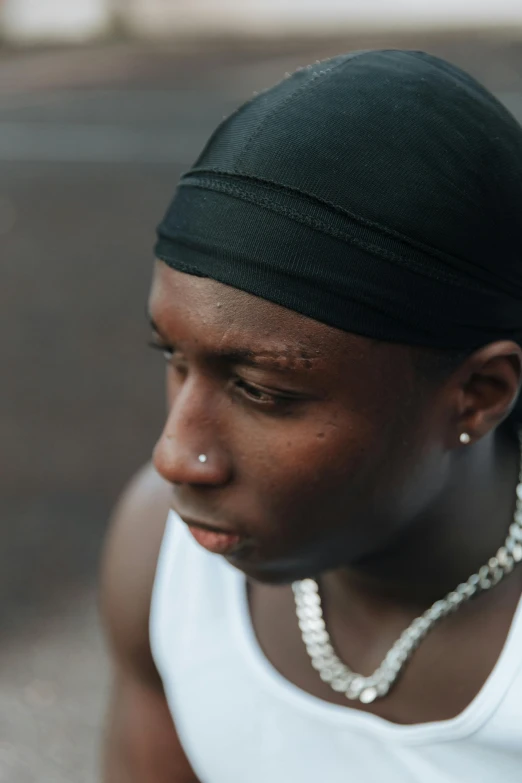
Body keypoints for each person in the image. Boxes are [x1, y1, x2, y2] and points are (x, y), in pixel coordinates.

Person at [100, 49, 522, 782]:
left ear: (479, 393)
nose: (176, 456)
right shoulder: (163, 557)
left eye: (264, 390)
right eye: (174, 357)